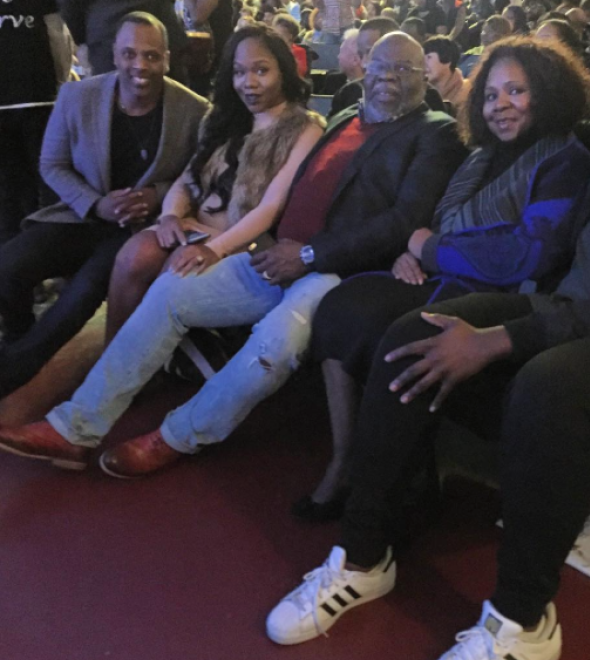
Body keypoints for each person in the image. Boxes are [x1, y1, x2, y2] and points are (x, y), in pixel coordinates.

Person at [266, 12, 590, 660]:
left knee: (551, 386)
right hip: (570, 317)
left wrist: (501, 337)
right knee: (416, 330)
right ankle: (363, 551)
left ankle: (524, 622)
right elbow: (568, 271)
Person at [0, 32, 465, 480]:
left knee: (277, 342)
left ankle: (176, 436)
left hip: (333, 271)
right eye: (380, 65)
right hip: (277, 255)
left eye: (403, 67)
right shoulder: (348, 115)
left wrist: (306, 253)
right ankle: (75, 427)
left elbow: (402, 219)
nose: (388, 76)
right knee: (172, 290)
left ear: (424, 73)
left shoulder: (433, 131)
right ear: (365, 68)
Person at [295, 36, 590, 519]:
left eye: (516, 92)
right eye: (492, 95)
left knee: (396, 336)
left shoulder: (566, 161)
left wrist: (427, 249)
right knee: (341, 307)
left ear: (547, 91)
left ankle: (392, 490)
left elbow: (527, 255)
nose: (500, 106)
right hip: (445, 275)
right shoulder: (481, 154)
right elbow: (430, 222)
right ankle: (347, 456)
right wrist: (408, 253)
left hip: (509, 298)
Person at [0, 12, 210, 399]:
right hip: (79, 217)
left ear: (166, 58)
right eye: (130, 54)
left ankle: (13, 371)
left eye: (150, 56)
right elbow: (52, 164)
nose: (140, 66)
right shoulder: (77, 96)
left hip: (137, 231)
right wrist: (96, 204)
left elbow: (197, 177)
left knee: (81, 294)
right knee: (9, 264)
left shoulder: (195, 111)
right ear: (113, 55)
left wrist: (157, 194)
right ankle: (17, 335)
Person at [104, 25, 324, 341]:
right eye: (238, 72)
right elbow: (187, 177)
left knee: (173, 274)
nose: (248, 83)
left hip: (241, 242)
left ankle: (145, 362)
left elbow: (271, 206)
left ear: (284, 71)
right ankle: (113, 352)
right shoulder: (223, 117)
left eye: (261, 70)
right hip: (195, 226)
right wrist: (170, 216)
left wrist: (216, 248)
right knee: (133, 256)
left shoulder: (303, 127)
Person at [0, 1, 73, 244]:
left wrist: (61, 85)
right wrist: (61, 83)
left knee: (29, 183)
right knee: (30, 183)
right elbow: (59, 40)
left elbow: (59, 37)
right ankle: (20, 253)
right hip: (39, 98)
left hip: (39, 102)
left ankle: (34, 249)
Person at [57, 0, 189, 82]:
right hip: (161, 21)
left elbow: (69, 6)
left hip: (107, 31)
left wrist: (82, 40)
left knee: (110, 108)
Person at [423, 36, 471, 134]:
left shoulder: (467, 94)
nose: (423, 63)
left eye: (428, 57)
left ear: (447, 60)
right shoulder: (420, 94)